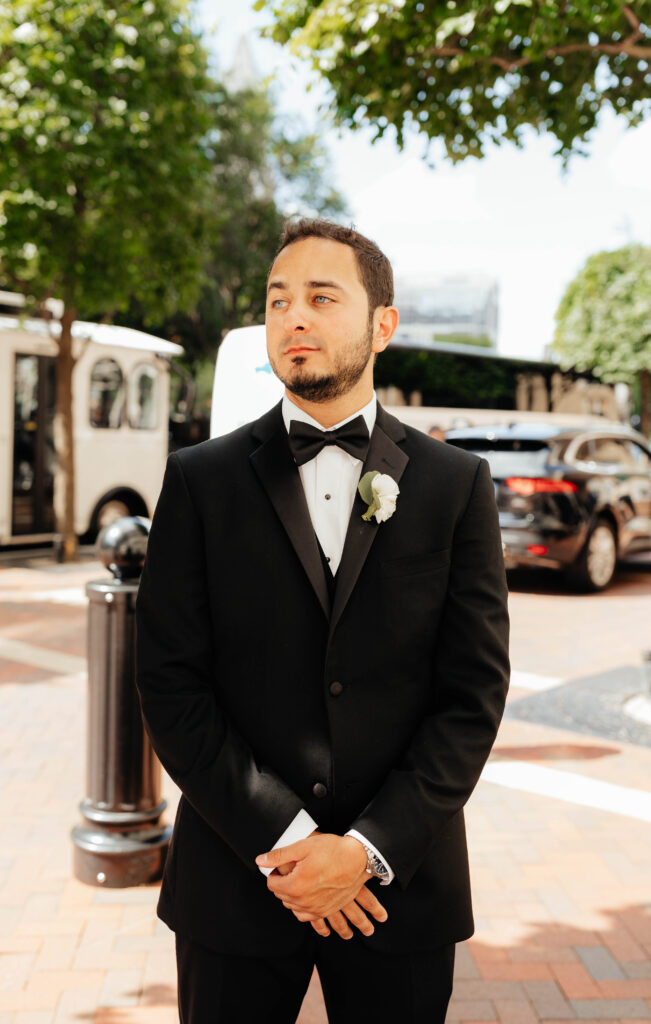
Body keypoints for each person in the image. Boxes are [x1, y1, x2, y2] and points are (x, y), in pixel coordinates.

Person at [135, 219, 510, 1024]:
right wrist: (291, 840)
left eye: (319, 297)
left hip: (398, 893)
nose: (292, 317)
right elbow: (170, 686)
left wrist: (366, 851)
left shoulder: (455, 485)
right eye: (277, 301)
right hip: (235, 883)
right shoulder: (198, 482)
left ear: (383, 324)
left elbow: (471, 695)